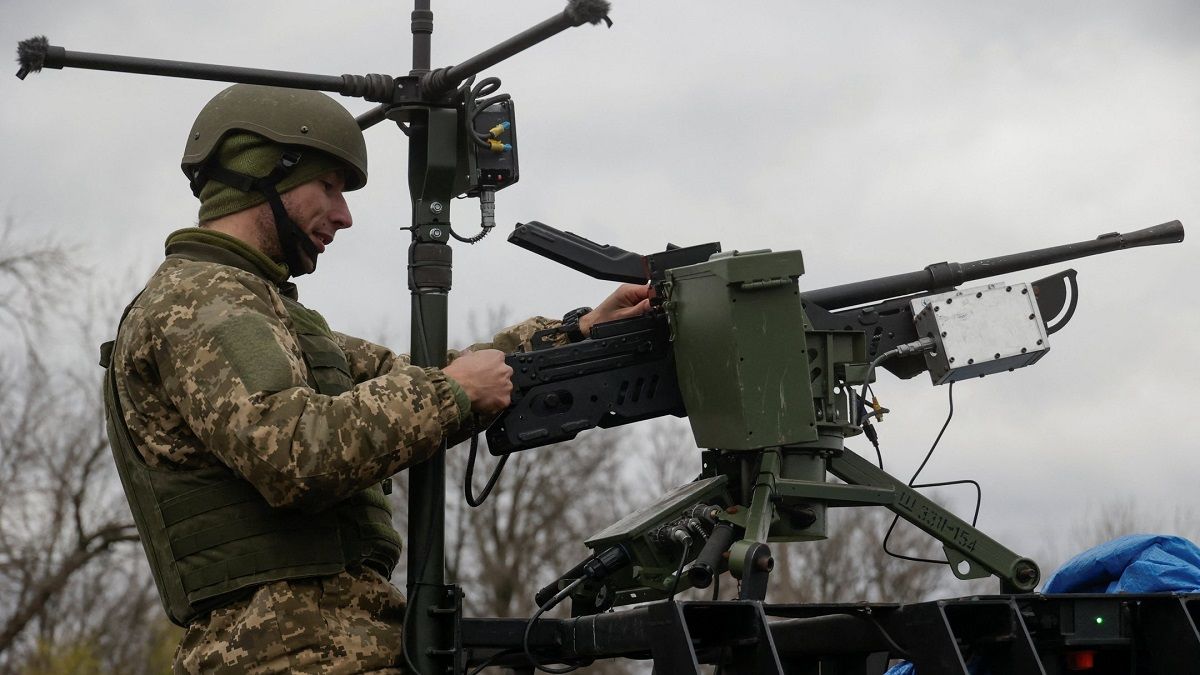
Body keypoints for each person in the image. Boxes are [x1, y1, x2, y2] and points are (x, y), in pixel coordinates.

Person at [101, 83, 650, 673]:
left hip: (328, 639)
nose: (344, 215)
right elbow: (294, 452)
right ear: (263, 176)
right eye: (328, 187)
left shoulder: (264, 309)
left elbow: (421, 381)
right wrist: (452, 393)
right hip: (284, 650)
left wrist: (579, 331)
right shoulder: (201, 301)